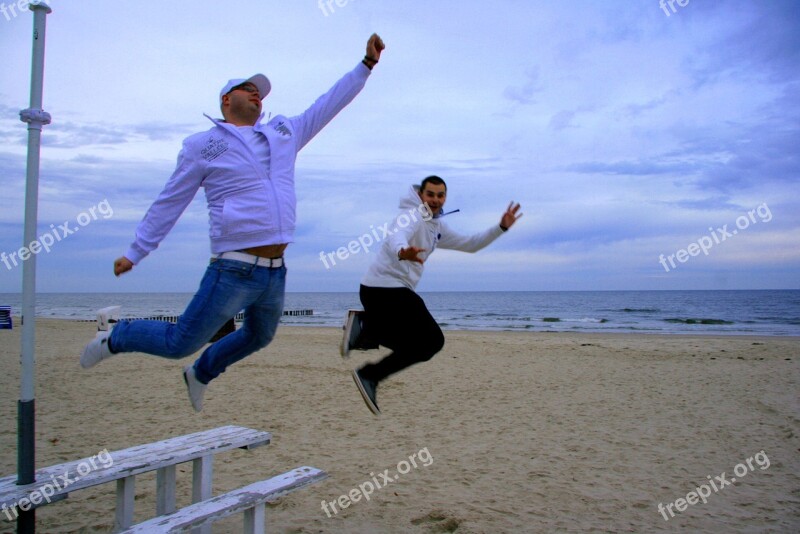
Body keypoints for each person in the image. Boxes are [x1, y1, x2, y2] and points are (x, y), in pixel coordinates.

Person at [80, 34, 386, 412]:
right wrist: (136, 251)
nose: (258, 94)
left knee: (259, 336)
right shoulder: (204, 145)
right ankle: (115, 336)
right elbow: (171, 199)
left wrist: (366, 66)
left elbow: (328, 104)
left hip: (275, 270)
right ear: (227, 100)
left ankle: (201, 373)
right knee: (179, 342)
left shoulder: (283, 133)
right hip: (234, 267)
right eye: (248, 89)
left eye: (261, 92)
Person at [343, 176, 522, 415]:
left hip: (389, 292)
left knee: (426, 346)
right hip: (383, 289)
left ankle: (366, 336)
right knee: (433, 340)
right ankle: (367, 353)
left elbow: (470, 244)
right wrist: (402, 251)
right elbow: (396, 236)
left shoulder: (436, 226)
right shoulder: (412, 216)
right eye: (430, 195)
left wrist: (500, 229)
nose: (435, 200)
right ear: (421, 195)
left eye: (440, 195)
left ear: (445, 197)